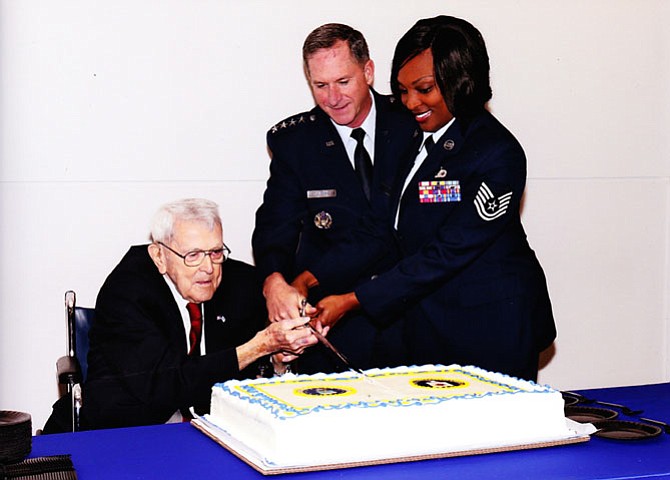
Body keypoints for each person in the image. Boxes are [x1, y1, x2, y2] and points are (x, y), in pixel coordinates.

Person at [293, 16, 556, 381]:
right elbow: (381, 227)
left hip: (492, 328)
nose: (410, 102)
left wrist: (353, 300)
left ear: (461, 81)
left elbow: (447, 252)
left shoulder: (496, 153)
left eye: (424, 88)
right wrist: (309, 278)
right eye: (402, 91)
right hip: (428, 324)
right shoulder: (411, 138)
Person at [43, 198, 317, 433]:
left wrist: (278, 358)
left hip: (210, 429)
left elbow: (255, 370)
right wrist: (258, 347)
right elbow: (165, 385)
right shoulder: (127, 290)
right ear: (159, 256)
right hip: (125, 429)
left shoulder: (238, 281)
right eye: (193, 255)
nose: (208, 268)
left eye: (215, 251)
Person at [252, 23, 418, 373]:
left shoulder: (411, 122)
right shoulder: (295, 142)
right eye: (320, 85)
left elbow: (388, 227)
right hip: (337, 327)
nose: (333, 98)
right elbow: (274, 225)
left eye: (343, 82)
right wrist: (274, 281)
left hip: (412, 313)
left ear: (368, 72)